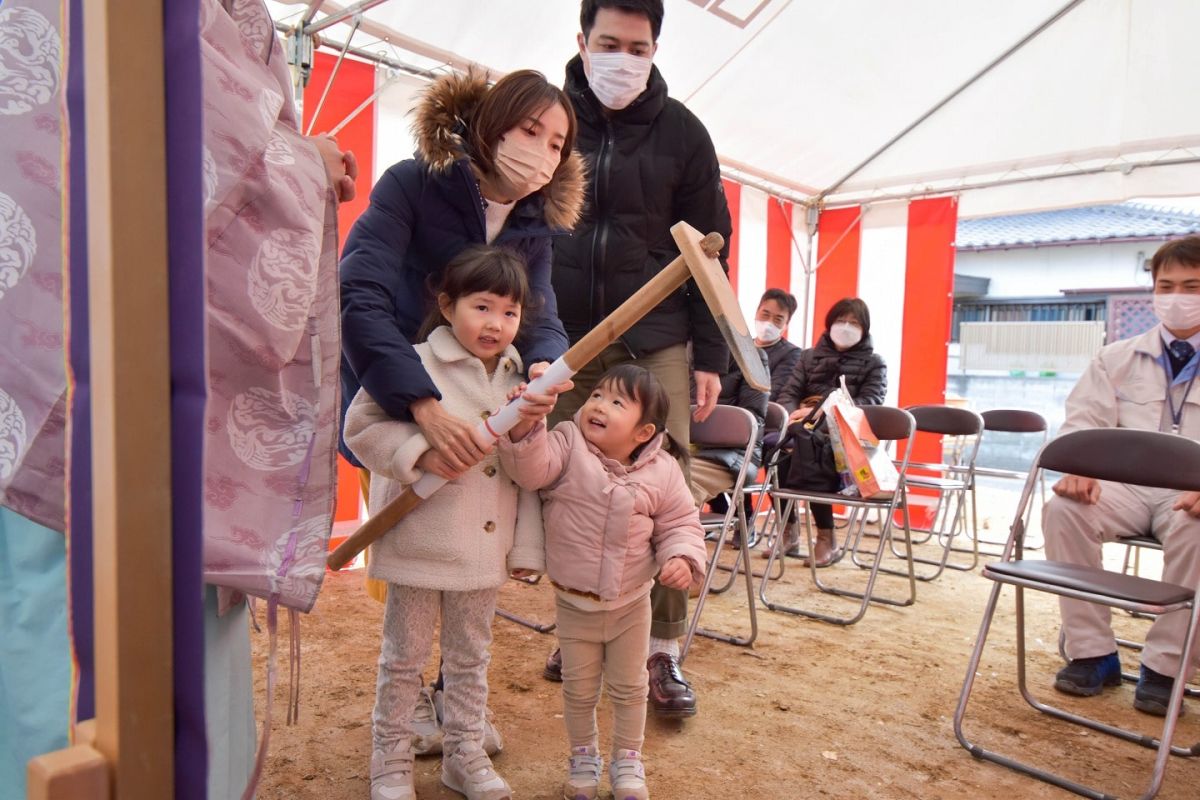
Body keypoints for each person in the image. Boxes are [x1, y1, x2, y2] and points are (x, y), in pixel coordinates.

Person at [542, 0, 733, 718]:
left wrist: (710, 351)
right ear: (582, 42)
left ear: (655, 48)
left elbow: (713, 244)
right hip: (562, 335)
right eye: (609, 43)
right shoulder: (551, 119)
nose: (624, 58)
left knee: (664, 483)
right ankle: (580, 625)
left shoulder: (685, 132)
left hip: (657, 334)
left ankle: (660, 652)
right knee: (565, 480)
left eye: (639, 46)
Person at [344, 246, 556, 800]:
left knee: (470, 656)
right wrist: (419, 450)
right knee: (404, 657)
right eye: (482, 307)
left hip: (483, 553)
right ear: (446, 304)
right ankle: (389, 755)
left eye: (509, 313)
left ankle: (463, 751)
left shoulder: (520, 379)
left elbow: (527, 474)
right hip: (419, 542)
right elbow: (360, 427)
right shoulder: (412, 363)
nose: (496, 324)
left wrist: (526, 431)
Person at [497, 364, 706, 800]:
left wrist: (682, 558)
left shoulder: (664, 470)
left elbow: (681, 522)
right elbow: (530, 471)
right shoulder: (568, 444)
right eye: (596, 395)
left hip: (632, 603)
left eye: (616, 402)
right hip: (574, 605)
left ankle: (628, 761)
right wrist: (527, 421)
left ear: (643, 431)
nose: (598, 406)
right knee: (578, 689)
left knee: (630, 689)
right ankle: (583, 756)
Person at [1046, 235, 1200, 717]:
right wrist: (1079, 466)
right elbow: (1082, 422)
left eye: (1192, 286)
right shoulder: (1116, 357)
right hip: (1125, 488)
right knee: (1063, 510)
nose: (1177, 296)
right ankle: (1093, 653)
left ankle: (1165, 667)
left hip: (1192, 495)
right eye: (1167, 285)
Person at [774, 297, 887, 566]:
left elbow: (870, 403)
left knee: (811, 450)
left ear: (865, 329)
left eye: (854, 322)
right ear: (829, 324)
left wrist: (818, 416)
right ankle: (788, 529)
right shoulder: (809, 357)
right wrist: (790, 418)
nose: (846, 327)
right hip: (802, 425)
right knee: (775, 447)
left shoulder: (874, 362)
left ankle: (826, 536)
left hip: (844, 435)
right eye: (840, 320)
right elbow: (789, 392)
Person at [689, 350, 770, 509]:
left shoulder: (751, 357)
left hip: (732, 454)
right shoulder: (681, 354)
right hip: (687, 449)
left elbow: (750, 422)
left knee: (670, 490)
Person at [754, 288, 804, 402]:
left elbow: (773, 393)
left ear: (786, 324)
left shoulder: (792, 354)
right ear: (756, 313)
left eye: (778, 319)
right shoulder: (740, 346)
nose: (768, 323)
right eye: (765, 314)